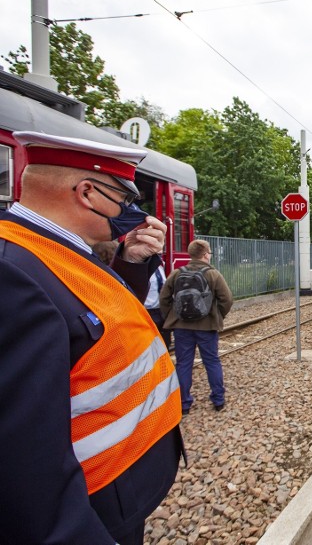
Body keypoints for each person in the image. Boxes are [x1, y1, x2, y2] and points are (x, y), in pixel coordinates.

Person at [0, 131, 183, 544]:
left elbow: (91, 323)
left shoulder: (59, 249)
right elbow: (24, 468)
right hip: (97, 512)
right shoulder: (11, 273)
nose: (133, 214)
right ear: (87, 193)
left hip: (120, 492)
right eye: (126, 201)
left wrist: (131, 264)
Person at [160, 239, 234, 414]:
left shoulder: (177, 273)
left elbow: (164, 298)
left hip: (181, 327)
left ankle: (184, 404)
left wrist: (173, 317)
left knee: (183, 363)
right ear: (206, 254)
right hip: (207, 327)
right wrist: (217, 316)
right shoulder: (213, 274)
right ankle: (218, 400)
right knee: (212, 361)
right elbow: (227, 299)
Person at [146, 262, 172, 350]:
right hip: (147, 311)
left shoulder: (159, 268)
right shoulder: (139, 270)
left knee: (165, 341)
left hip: (161, 310)